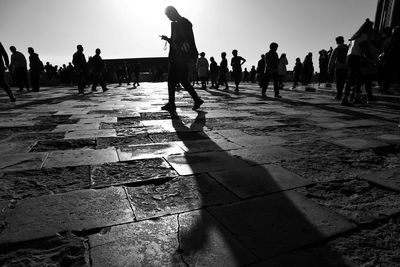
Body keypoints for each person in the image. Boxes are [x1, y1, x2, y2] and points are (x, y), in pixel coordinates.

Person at [160, 6, 204, 111]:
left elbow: (186, 41)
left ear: (173, 12)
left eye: (168, 15)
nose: (168, 18)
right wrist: (168, 39)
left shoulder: (184, 23)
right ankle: (172, 103)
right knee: (171, 81)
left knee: (182, 80)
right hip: (175, 56)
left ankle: (196, 99)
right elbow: (176, 41)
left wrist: (189, 57)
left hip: (181, 57)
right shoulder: (175, 25)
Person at [341, 18, 374, 106]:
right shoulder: (363, 36)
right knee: (352, 78)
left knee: (359, 77)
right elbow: (364, 49)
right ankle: (346, 98)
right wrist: (371, 58)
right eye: (371, 27)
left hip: (350, 57)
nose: (372, 29)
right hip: (356, 58)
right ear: (368, 28)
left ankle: (356, 97)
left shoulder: (355, 35)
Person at [328, 36, 349, 100]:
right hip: (346, 67)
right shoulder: (348, 48)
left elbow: (332, 60)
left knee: (338, 82)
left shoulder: (336, 49)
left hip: (338, 67)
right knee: (343, 82)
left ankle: (339, 95)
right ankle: (342, 95)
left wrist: (329, 68)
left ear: (337, 42)